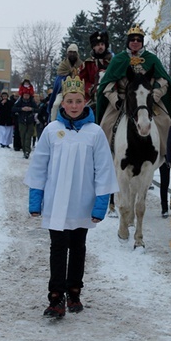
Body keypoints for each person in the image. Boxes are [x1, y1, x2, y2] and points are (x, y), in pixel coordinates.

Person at [25, 75, 119, 318]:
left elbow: (104, 170)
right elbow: (39, 167)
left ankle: (74, 290)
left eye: (78, 101)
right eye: (70, 101)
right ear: (62, 103)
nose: (74, 105)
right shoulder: (51, 130)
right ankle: (55, 297)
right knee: (58, 247)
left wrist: (100, 205)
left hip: (82, 201)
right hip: (56, 202)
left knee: (78, 246)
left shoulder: (95, 133)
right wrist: (35, 199)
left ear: (85, 102)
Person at [96, 25, 171, 159]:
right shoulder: (119, 60)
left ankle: (167, 154)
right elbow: (107, 84)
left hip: (148, 99)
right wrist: (115, 100)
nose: (135, 42)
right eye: (132, 39)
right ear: (128, 41)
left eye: (139, 40)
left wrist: (156, 93)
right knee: (106, 124)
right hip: (122, 98)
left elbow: (164, 81)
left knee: (166, 122)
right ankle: (104, 155)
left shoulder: (152, 59)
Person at [48, 43, 83, 121]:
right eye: (70, 52)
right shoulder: (63, 65)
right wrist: (69, 74)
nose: (72, 54)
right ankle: (52, 122)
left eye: (74, 52)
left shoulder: (81, 65)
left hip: (78, 91)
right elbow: (59, 80)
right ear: (67, 53)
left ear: (77, 54)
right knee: (56, 104)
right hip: (64, 91)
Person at [78, 30, 113, 108]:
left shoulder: (113, 62)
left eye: (102, 44)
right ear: (93, 47)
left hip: (110, 95)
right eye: (97, 45)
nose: (100, 47)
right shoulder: (87, 64)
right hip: (91, 98)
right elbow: (82, 81)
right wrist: (91, 88)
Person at [12, 86, 38, 158]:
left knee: (28, 136)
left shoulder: (32, 101)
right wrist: (21, 109)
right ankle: (24, 150)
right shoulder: (20, 101)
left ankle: (27, 151)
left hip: (30, 121)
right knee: (22, 136)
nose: (26, 96)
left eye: (27, 95)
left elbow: (37, 109)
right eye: (25, 95)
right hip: (21, 121)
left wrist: (31, 109)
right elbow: (13, 109)